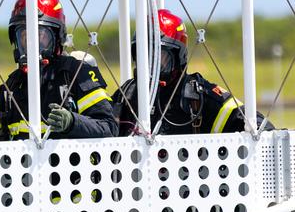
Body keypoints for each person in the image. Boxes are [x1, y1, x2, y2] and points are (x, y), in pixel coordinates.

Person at [112, 9, 270, 136]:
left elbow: (253, 122)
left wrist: (268, 136)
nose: (150, 64)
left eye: (159, 57)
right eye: (143, 55)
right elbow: (103, 124)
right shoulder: (128, 93)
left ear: (178, 56)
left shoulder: (198, 96)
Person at [0, 0, 118, 140]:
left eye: (40, 36)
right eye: (24, 36)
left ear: (57, 37)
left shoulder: (76, 73)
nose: (31, 44)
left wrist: (72, 122)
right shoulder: (11, 87)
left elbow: (110, 127)